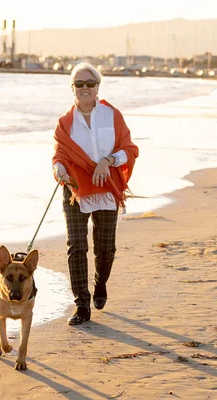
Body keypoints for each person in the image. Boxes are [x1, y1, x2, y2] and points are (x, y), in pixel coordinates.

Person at [52, 62, 139, 326]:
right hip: (76, 189)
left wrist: (108, 161)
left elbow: (129, 148)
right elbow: (60, 155)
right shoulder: (65, 123)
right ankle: (82, 304)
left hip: (106, 187)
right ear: (72, 88)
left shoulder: (112, 115)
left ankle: (100, 284)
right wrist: (59, 171)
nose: (85, 88)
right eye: (80, 84)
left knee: (105, 248)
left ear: (98, 87)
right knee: (76, 246)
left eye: (90, 83)